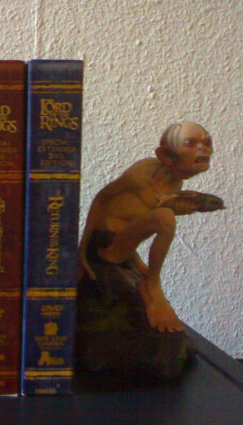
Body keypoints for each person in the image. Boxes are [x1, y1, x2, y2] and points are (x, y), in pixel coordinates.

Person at [78, 122, 216, 333]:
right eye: (190, 143)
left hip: (123, 248)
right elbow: (102, 199)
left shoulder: (174, 184)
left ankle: (149, 279)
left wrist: (135, 260)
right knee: (165, 216)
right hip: (104, 246)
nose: (202, 148)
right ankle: (152, 285)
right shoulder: (143, 172)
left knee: (165, 215)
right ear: (165, 155)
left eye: (207, 142)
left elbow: (137, 218)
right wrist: (82, 249)